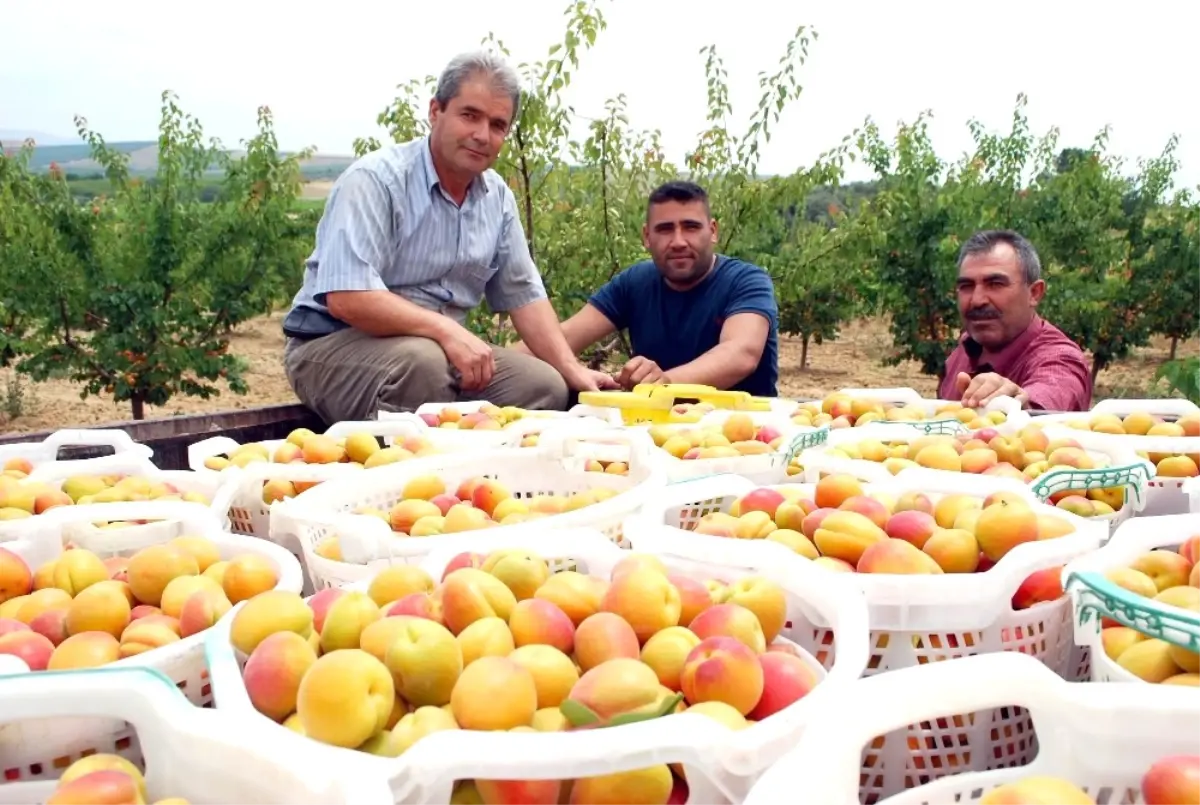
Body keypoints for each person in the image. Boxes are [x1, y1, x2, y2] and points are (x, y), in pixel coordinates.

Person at [280, 51, 617, 424]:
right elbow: (348, 298)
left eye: (497, 124)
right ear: (436, 111)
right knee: (423, 365)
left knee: (543, 386)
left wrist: (573, 370)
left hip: (434, 353)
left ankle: (476, 472)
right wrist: (444, 330)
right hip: (332, 344)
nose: (481, 135)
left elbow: (524, 296)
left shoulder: (497, 198)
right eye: (469, 115)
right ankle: (398, 468)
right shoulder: (377, 180)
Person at [520, 181, 779, 396]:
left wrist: (664, 382)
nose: (678, 242)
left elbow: (740, 354)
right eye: (665, 230)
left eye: (690, 227)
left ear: (712, 231)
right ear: (646, 237)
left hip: (739, 436)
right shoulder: (635, 282)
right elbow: (559, 339)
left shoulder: (747, 281)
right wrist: (496, 363)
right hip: (652, 432)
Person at [939, 229, 1092, 411]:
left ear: (1034, 293)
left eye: (996, 284)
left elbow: (1054, 392)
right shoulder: (962, 352)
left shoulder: (1061, 358)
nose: (977, 300)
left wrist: (1020, 402)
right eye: (966, 286)